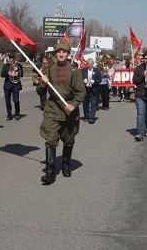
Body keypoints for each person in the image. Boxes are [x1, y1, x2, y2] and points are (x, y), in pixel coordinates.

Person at [37, 43, 85, 185]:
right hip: (52, 109)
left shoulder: (74, 71)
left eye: (64, 52)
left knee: (68, 140)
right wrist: (43, 84)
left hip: (69, 111)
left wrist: (74, 104)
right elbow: (40, 92)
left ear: (68, 54)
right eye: (58, 52)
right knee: (50, 138)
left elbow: (81, 92)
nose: (61, 54)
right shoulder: (50, 70)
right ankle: (50, 171)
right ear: (55, 54)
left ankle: (65, 164)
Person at [1, 53, 24, 120]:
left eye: (13, 58)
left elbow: (21, 74)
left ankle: (17, 113)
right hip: (8, 85)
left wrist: (17, 70)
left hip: (16, 85)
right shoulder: (6, 66)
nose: (11, 60)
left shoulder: (19, 66)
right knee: (7, 101)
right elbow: (2, 74)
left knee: (16, 100)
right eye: (10, 58)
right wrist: (8, 74)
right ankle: (9, 114)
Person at [81, 58, 101, 124]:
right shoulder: (83, 71)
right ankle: (86, 116)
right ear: (87, 64)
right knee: (85, 104)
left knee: (94, 104)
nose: (89, 65)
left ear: (93, 64)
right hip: (86, 89)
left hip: (94, 89)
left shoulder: (97, 71)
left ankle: (91, 117)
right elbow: (80, 79)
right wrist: (83, 81)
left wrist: (94, 81)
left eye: (91, 64)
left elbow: (99, 80)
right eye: (88, 64)